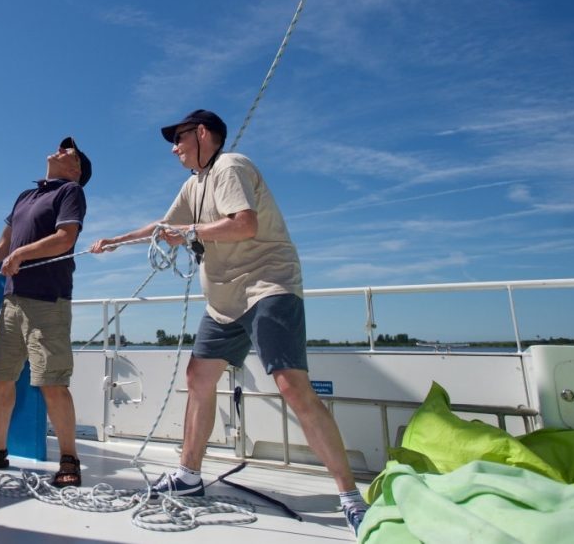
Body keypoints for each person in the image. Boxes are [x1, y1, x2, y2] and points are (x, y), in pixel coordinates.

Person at [90, 110, 368, 533]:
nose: (174, 147)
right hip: (222, 300)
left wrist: (191, 233)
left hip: (266, 285)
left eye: (179, 137)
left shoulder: (230, 167)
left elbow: (244, 225)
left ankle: (350, 498)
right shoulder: (193, 184)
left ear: (202, 134)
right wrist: (117, 241)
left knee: (291, 385)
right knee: (199, 377)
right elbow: (165, 225)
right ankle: (188, 476)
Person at [0, 137, 92, 488]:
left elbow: (65, 238)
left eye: (68, 152)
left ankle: (69, 458)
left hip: (48, 302)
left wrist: (22, 254)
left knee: (52, 383)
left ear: (74, 170)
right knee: (1, 377)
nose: (60, 151)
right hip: (12, 302)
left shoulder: (70, 193)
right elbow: (2, 246)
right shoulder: (25, 197)